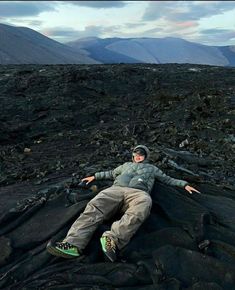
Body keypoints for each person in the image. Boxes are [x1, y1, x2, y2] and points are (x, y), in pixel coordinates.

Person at [47, 145, 200, 262]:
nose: (138, 156)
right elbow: (110, 173)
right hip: (116, 189)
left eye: (141, 154)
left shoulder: (152, 169)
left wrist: (184, 184)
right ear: (133, 155)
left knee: (144, 205)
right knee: (95, 206)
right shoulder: (124, 166)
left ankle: (112, 240)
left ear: (146, 156)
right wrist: (94, 177)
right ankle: (73, 244)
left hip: (138, 193)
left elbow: (168, 179)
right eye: (136, 154)